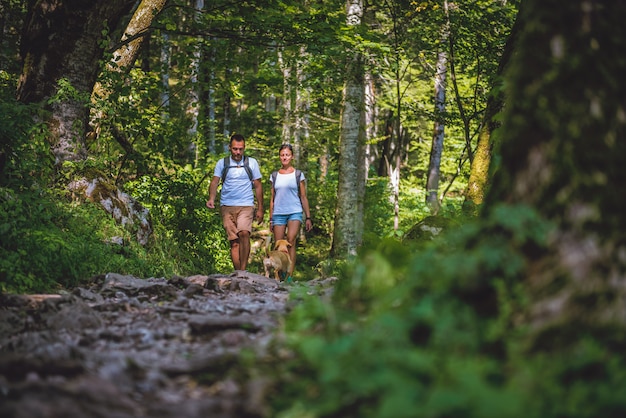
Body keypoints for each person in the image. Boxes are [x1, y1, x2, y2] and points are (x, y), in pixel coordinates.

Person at [207, 134, 264, 274]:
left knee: (244, 233)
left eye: (241, 149)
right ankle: (238, 273)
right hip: (227, 205)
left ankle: (243, 271)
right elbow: (215, 181)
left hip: (246, 204)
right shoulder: (222, 163)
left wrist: (261, 208)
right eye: (235, 149)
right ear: (229, 148)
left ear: (244, 148)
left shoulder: (251, 163)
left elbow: (258, 185)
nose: (238, 152)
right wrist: (211, 198)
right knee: (234, 242)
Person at [269, 143, 312, 282]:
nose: (284, 157)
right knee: (278, 244)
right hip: (278, 213)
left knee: (290, 241)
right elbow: (272, 199)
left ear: (292, 156)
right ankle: (279, 273)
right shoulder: (275, 175)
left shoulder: (298, 174)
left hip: (294, 211)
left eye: (287, 154)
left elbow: (303, 197)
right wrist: (270, 219)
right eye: (282, 155)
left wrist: (308, 217)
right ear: (279, 157)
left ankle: (289, 275)